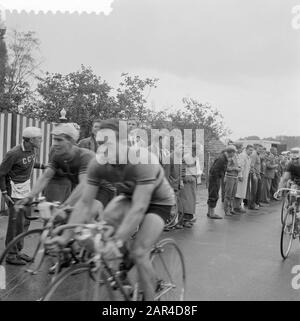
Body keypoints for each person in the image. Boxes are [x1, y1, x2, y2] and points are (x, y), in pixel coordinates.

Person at [46, 118, 176, 301]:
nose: (102, 149)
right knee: (102, 230)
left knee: (139, 251)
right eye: (99, 143)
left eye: (107, 143)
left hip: (158, 201)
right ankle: (124, 271)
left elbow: (139, 208)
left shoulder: (143, 160)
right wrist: (66, 237)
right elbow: (84, 203)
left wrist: (116, 241)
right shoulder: (98, 164)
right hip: (128, 197)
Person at [0, 127, 44, 265]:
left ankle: (18, 250)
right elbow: (1, 173)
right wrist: (4, 193)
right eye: (39, 138)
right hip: (13, 193)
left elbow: (28, 164)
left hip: (25, 191)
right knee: (15, 224)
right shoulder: (13, 153)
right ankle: (11, 255)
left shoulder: (32, 150)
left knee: (25, 221)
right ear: (30, 140)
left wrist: (44, 166)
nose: (41, 140)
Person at [207, 145, 237, 219]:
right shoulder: (222, 159)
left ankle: (209, 212)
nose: (234, 154)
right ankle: (212, 214)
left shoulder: (224, 157)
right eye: (234, 153)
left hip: (215, 178)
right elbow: (214, 170)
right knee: (214, 195)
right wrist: (220, 176)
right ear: (231, 152)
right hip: (214, 178)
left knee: (213, 194)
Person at [233, 145, 253, 213]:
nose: (251, 151)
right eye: (250, 150)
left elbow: (247, 167)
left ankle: (238, 206)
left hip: (245, 177)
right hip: (241, 177)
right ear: (246, 149)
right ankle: (236, 207)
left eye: (252, 150)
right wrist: (240, 175)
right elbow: (240, 166)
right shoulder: (243, 156)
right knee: (238, 192)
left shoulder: (248, 157)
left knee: (242, 192)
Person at [223, 149, 241, 216]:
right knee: (228, 195)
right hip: (230, 177)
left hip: (235, 177)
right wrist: (235, 168)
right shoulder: (229, 159)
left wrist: (239, 169)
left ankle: (231, 209)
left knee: (233, 195)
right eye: (235, 151)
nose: (237, 152)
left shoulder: (236, 158)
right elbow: (226, 168)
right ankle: (226, 210)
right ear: (232, 152)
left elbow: (239, 167)